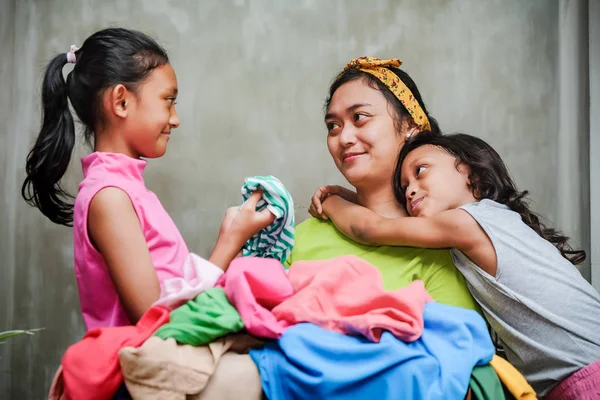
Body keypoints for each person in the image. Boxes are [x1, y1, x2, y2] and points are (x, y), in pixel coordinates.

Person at [21, 27, 273, 330]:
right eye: (168, 100)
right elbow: (154, 322)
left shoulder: (125, 190)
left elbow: (172, 301)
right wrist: (229, 243)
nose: (175, 118)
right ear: (121, 102)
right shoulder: (109, 197)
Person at [314, 131, 600, 396]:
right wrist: (356, 197)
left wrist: (331, 201)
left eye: (420, 171)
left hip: (588, 378)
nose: (411, 190)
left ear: (469, 173)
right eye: (405, 188)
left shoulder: (468, 222)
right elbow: (388, 219)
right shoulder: (493, 221)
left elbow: (371, 230)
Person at [291, 56, 478, 311]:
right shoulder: (299, 236)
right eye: (332, 126)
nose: (343, 137)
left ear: (410, 125)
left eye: (360, 117)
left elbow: (459, 345)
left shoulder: (442, 244)